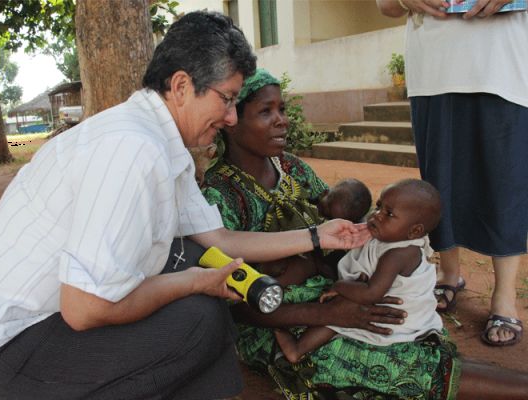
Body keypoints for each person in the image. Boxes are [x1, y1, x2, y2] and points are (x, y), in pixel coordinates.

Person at [0, 12, 375, 400]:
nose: (232, 118)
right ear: (181, 85)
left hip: (19, 321)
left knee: (199, 277)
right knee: (197, 318)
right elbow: (85, 308)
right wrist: (193, 284)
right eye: (227, 99)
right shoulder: (134, 152)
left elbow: (217, 237)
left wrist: (319, 234)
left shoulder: (158, 140)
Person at [203, 67, 528, 399]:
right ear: (231, 120)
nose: (282, 120)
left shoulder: (291, 167)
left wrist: (358, 285)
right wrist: (330, 313)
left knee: (409, 333)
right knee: (381, 359)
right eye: (266, 112)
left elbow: (338, 218)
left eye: (283, 109)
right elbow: (236, 305)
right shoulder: (220, 195)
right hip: (275, 321)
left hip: (333, 292)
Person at [376, 0, 527, 346]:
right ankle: (449, 271)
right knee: (438, 181)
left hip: (503, 61)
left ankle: (504, 296)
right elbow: (384, 4)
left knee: (504, 178)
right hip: (434, 64)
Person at [275, 179, 443, 363]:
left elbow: (371, 293)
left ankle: (297, 349)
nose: (377, 215)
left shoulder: (399, 254)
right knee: (343, 304)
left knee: (338, 315)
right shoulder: (389, 237)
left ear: (414, 231)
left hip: (393, 316)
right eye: (378, 206)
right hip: (377, 296)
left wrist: (339, 286)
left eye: (389, 213)